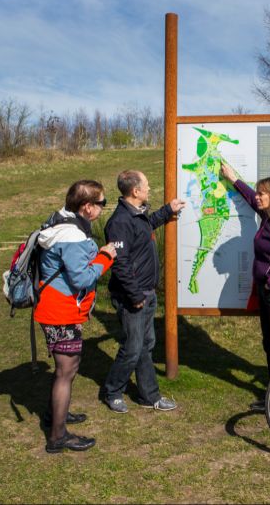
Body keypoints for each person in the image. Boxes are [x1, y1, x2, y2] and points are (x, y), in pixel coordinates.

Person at [34, 179, 116, 454]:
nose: (104, 208)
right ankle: (58, 436)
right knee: (66, 371)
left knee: (67, 367)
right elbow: (81, 277)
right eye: (102, 203)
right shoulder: (72, 236)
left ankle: (57, 414)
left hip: (56, 306)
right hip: (61, 310)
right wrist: (105, 257)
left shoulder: (60, 221)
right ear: (88, 207)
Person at [102, 170, 185, 413]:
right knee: (132, 348)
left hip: (146, 294)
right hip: (132, 297)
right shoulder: (119, 222)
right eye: (147, 186)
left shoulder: (138, 215)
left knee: (146, 344)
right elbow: (120, 264)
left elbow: (149, 225)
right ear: (135, 191)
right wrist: (135, 295)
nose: (150, 189)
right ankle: (112, 391)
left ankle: (150, 396)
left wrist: (167, 210)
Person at [220, 162, 270, 411]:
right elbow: (249, 199)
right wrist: (233, 179)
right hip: (267, 291)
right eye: (257, 192)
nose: (257, 197)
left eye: (262, 193)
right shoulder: (268, 216)